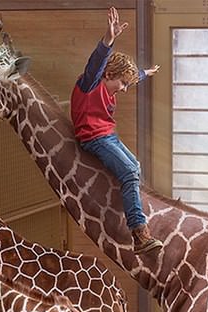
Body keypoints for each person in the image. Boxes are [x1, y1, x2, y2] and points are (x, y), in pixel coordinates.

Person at [71, 7, 162, 254]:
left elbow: (130, 78)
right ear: (109, 74)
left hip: (107, 135)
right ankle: (140, 234)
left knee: (136, 166)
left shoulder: (112, 83)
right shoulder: (90, 82)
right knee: (131, 170)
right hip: (94, 138)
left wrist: (145, 73)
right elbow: (97, 61)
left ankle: (130, 206)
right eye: (122, 83)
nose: (123, 89)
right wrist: (109, 38)